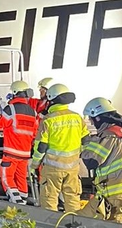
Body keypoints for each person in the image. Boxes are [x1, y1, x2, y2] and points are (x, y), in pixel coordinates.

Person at [30, 83, 88, 212]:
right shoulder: (77, 117)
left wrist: (34, 165)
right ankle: (75, 226)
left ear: (51, 100)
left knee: (49, 201)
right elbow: (86, 140)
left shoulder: (48, 119)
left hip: (52, 168)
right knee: (73, 200)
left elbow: (41, 146)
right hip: (73, 167)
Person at [80, 97, 122, 223]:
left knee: (111, 225)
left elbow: (91, 161)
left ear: (98, 117)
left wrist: (86, 145)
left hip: (113, 193)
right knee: (89, 218)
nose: (91, 123)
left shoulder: (109, 136)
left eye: (91, 119)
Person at [0, 81, 39, 204]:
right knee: (21, 178)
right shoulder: (32, 112)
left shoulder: (10, 109)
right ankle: (23, 202)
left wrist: (0, 115)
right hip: (25, 153)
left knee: (7, 177)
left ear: (14, 93)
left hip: (11, 152)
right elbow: (35, 132)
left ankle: (16, 204)